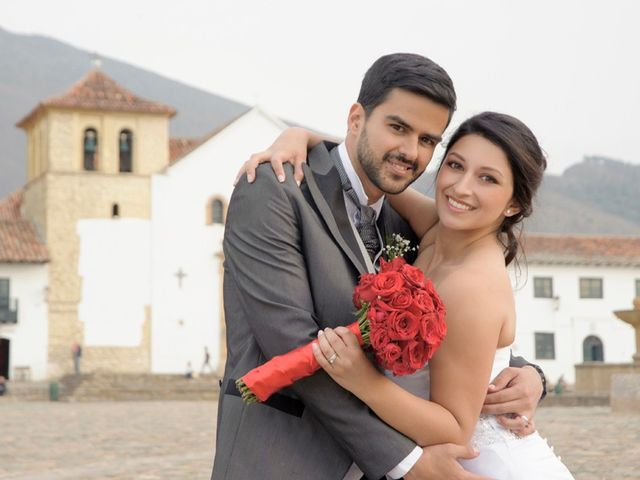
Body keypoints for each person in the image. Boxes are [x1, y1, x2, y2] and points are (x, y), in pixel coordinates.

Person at [214, 53, 545, 480]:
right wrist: (406, 461)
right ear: (357, 118)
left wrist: (530, 375)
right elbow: (294, 348)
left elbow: (458, 338)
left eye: (427, 140)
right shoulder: (274, 193)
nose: (410, 151)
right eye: (398, 127)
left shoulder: (411, 220)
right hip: (283, 461)